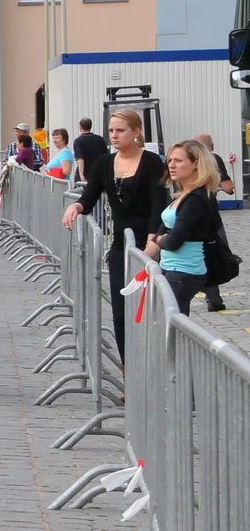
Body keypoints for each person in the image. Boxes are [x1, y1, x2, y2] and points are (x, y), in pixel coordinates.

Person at [62, 109, 168, 355]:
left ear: (136, 132)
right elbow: (88, 199)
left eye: (120, 130)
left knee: (150, 309)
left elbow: (158, 206)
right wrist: (75, 206)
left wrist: (152, 244)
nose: (114, 135)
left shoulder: (152, 163)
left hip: (148, 243)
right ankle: (126, 369)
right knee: (120, 310)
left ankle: (153, 363)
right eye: (111, 130)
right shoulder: (104, 163)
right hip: (120, 245)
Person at [147, 140, 221, 316]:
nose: (171, 165)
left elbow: (173, 241)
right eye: (170, 160)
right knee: (170, 321)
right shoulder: (182, 197)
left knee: (172, 323)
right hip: (171, 269)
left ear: (196, 164)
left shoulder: (196, 199)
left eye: (178, 161)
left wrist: (159, 239)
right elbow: (162, 232)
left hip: (183, 272)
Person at [195, 133, 234, 311]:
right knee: (216, 252)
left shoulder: (187, 158)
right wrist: (214, 183)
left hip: (185, 210)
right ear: (212, 146)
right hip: (209, 213)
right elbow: (228, 188)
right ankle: (213, 297)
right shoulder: (213, 159)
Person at [71, 117, 108, 185]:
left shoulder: (78, 141)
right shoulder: (100, 139)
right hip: (97, 174)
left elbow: (80, 159)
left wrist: (81, 175)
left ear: (80, 127)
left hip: (85, 174)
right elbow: (106, 157)